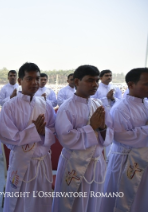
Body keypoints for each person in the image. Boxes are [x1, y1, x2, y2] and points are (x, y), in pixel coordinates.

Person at [52, 65, 113, 212]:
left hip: (96, 164)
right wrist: (91, 127)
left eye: (97, 81)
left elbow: (110, 133)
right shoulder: (66, 107)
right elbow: (65, 138)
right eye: (90, 80)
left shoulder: (99, 104)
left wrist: (103, 128)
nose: (95, 85)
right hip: (74, 163)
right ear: (77, 82)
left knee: (94, 203)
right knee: (72, 204)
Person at [0, 62, 56, 212]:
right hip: (21, 162)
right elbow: (6, 135)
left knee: (41, 202)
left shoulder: (45, 105)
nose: (35, 83)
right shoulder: (9, 106)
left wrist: (44, 132)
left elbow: (54, 130)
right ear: (20, 81)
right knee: (19, 204)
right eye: (29, 78)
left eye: (37, 78)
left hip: (42, 163)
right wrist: (34, 131)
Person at [100, 68, 148, 212]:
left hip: (143, 160)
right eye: (146, 83)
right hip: (125, 161)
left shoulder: (145, 104)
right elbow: (120, 136)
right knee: (122, 202)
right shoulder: (121, 108)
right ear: (131, 85)